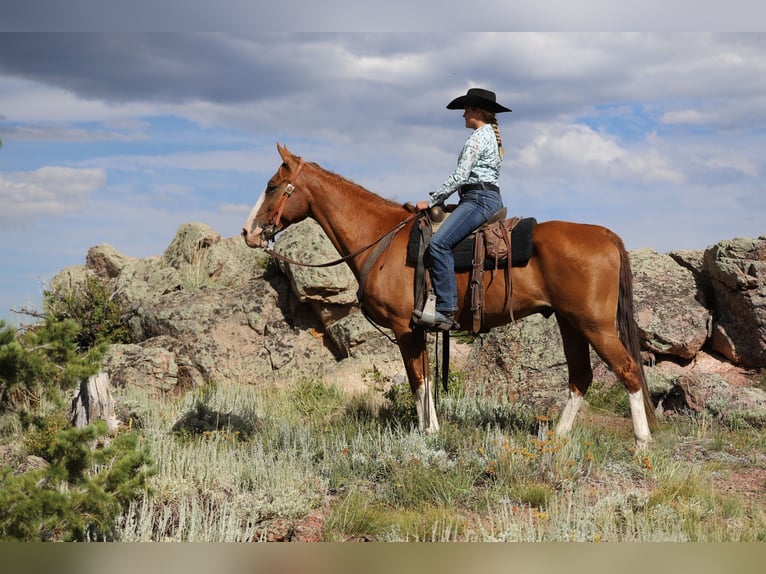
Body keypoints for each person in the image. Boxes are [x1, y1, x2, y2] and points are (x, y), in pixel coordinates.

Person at [419, 87, 511, 330]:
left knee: (438, 244)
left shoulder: (478, 137)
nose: (463, 115)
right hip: (484, 197)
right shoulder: (490, 135)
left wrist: (433, 200)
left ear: (477, 111)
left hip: (478, 200)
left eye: (466, 110)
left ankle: (446, 309)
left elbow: (460, 176)